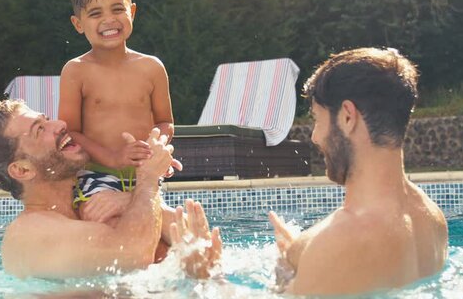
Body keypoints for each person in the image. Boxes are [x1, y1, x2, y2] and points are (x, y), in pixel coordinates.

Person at [174, 48, 449, 295]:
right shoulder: (432, 219)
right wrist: (300, 260)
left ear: (347, 117)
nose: (316, 137)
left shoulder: (339, 243)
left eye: (317, 119)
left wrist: (206, 278)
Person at [0, 100, 179, 279]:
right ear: (22, 169)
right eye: (40, 129)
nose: (61, 124)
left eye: (47, 119)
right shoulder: (28, 233)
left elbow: (200, 244)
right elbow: (134, 256)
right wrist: (148, 178)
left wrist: (128, 200)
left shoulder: (92, 204)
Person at [59, 0, 179, 225]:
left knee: (166, 235)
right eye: (95, 13)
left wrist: (155, 147)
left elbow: (165, 122)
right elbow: (70, 133)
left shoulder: (152, 68)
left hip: (144, 175)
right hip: (96, 174)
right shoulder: (76, 71)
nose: (108, 20)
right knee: (110, 226)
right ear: (78, 24)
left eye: (117, 9)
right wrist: (113, 158)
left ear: (131, 12)